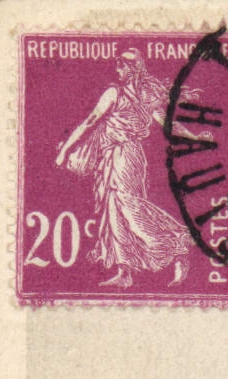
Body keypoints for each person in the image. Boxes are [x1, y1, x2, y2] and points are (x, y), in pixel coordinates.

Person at [54, 50, 197, 288]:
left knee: (128, 207)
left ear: (131, 69)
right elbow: (167, 123)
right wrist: (193, 136)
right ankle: (125, 271)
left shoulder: (121, 94)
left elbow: (91, 122)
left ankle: (179, 242)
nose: (117, 72)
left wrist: (63, 151)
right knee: (114, 211)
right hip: (115, 156)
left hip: (125, 156)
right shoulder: (135, 94)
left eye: (121, 67)